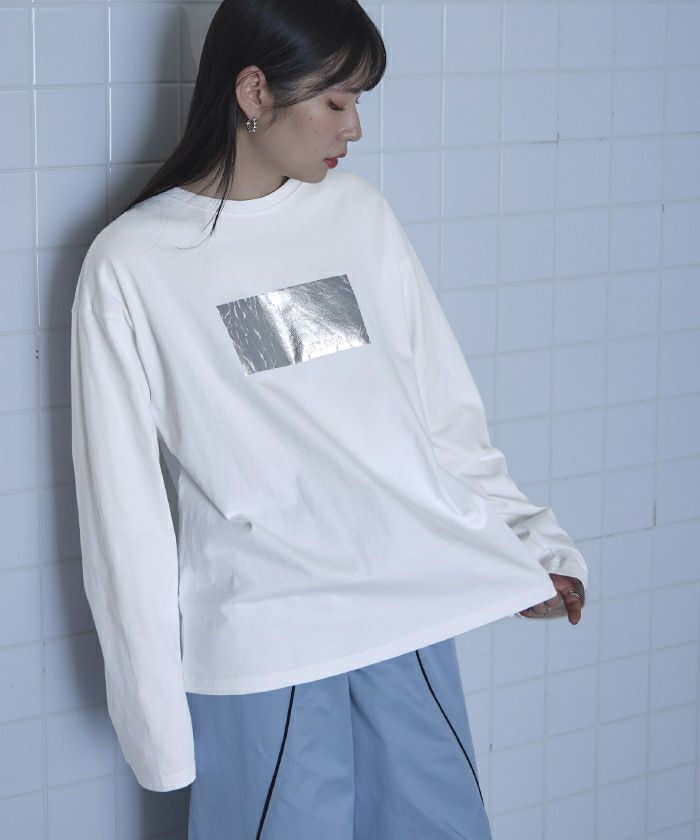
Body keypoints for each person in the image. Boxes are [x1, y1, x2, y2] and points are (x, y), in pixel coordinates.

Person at [69, 0, 588, 837]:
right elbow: (123, 519)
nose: (355, 128)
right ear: (254, 92)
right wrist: (155, 727)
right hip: (268, 645)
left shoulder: (358, 218)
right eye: (336, 100)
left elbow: (438, 416)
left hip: (408, 621)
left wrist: (531, 546)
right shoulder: (134, 263)